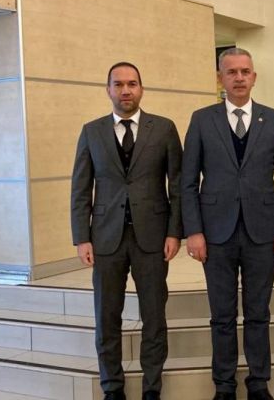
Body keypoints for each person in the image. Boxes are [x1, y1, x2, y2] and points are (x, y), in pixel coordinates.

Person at [181, 47, 274, 400]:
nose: (239, 78)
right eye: (231, 72)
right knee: (222, 314)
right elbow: (188, 182)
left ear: (254, 77)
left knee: (258, 312)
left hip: (263, 230)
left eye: (245, 71)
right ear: (221, 78)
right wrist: (194, 231)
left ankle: (258, 382)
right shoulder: (202, 120)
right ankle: (224, 385)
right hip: (216, 232)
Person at [71, 62, 182, 400]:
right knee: (107, 317)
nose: (125, 90)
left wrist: (174, 232)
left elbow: (178, 186)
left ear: (141, 88)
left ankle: (152, 387)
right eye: (118, 84)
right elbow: (80, 189)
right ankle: (112, 386)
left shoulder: (163, 128)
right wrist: (82, 237)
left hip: (153, 237)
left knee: (154, 316)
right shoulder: (91, 131)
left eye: (132, 83)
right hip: (106, 239)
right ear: (108, 90)